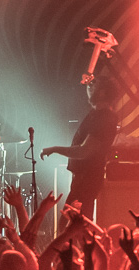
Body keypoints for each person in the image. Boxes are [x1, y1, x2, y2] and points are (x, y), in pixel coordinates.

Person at [40, 77, 120, 220]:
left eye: (94, 84)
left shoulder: (105, 118)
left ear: (102, 92)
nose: (89, 86)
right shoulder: (96, 114)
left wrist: (55, 149)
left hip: (87, 181)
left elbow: (85, 151)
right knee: (74, 228)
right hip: (83, 180)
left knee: (71, 228)